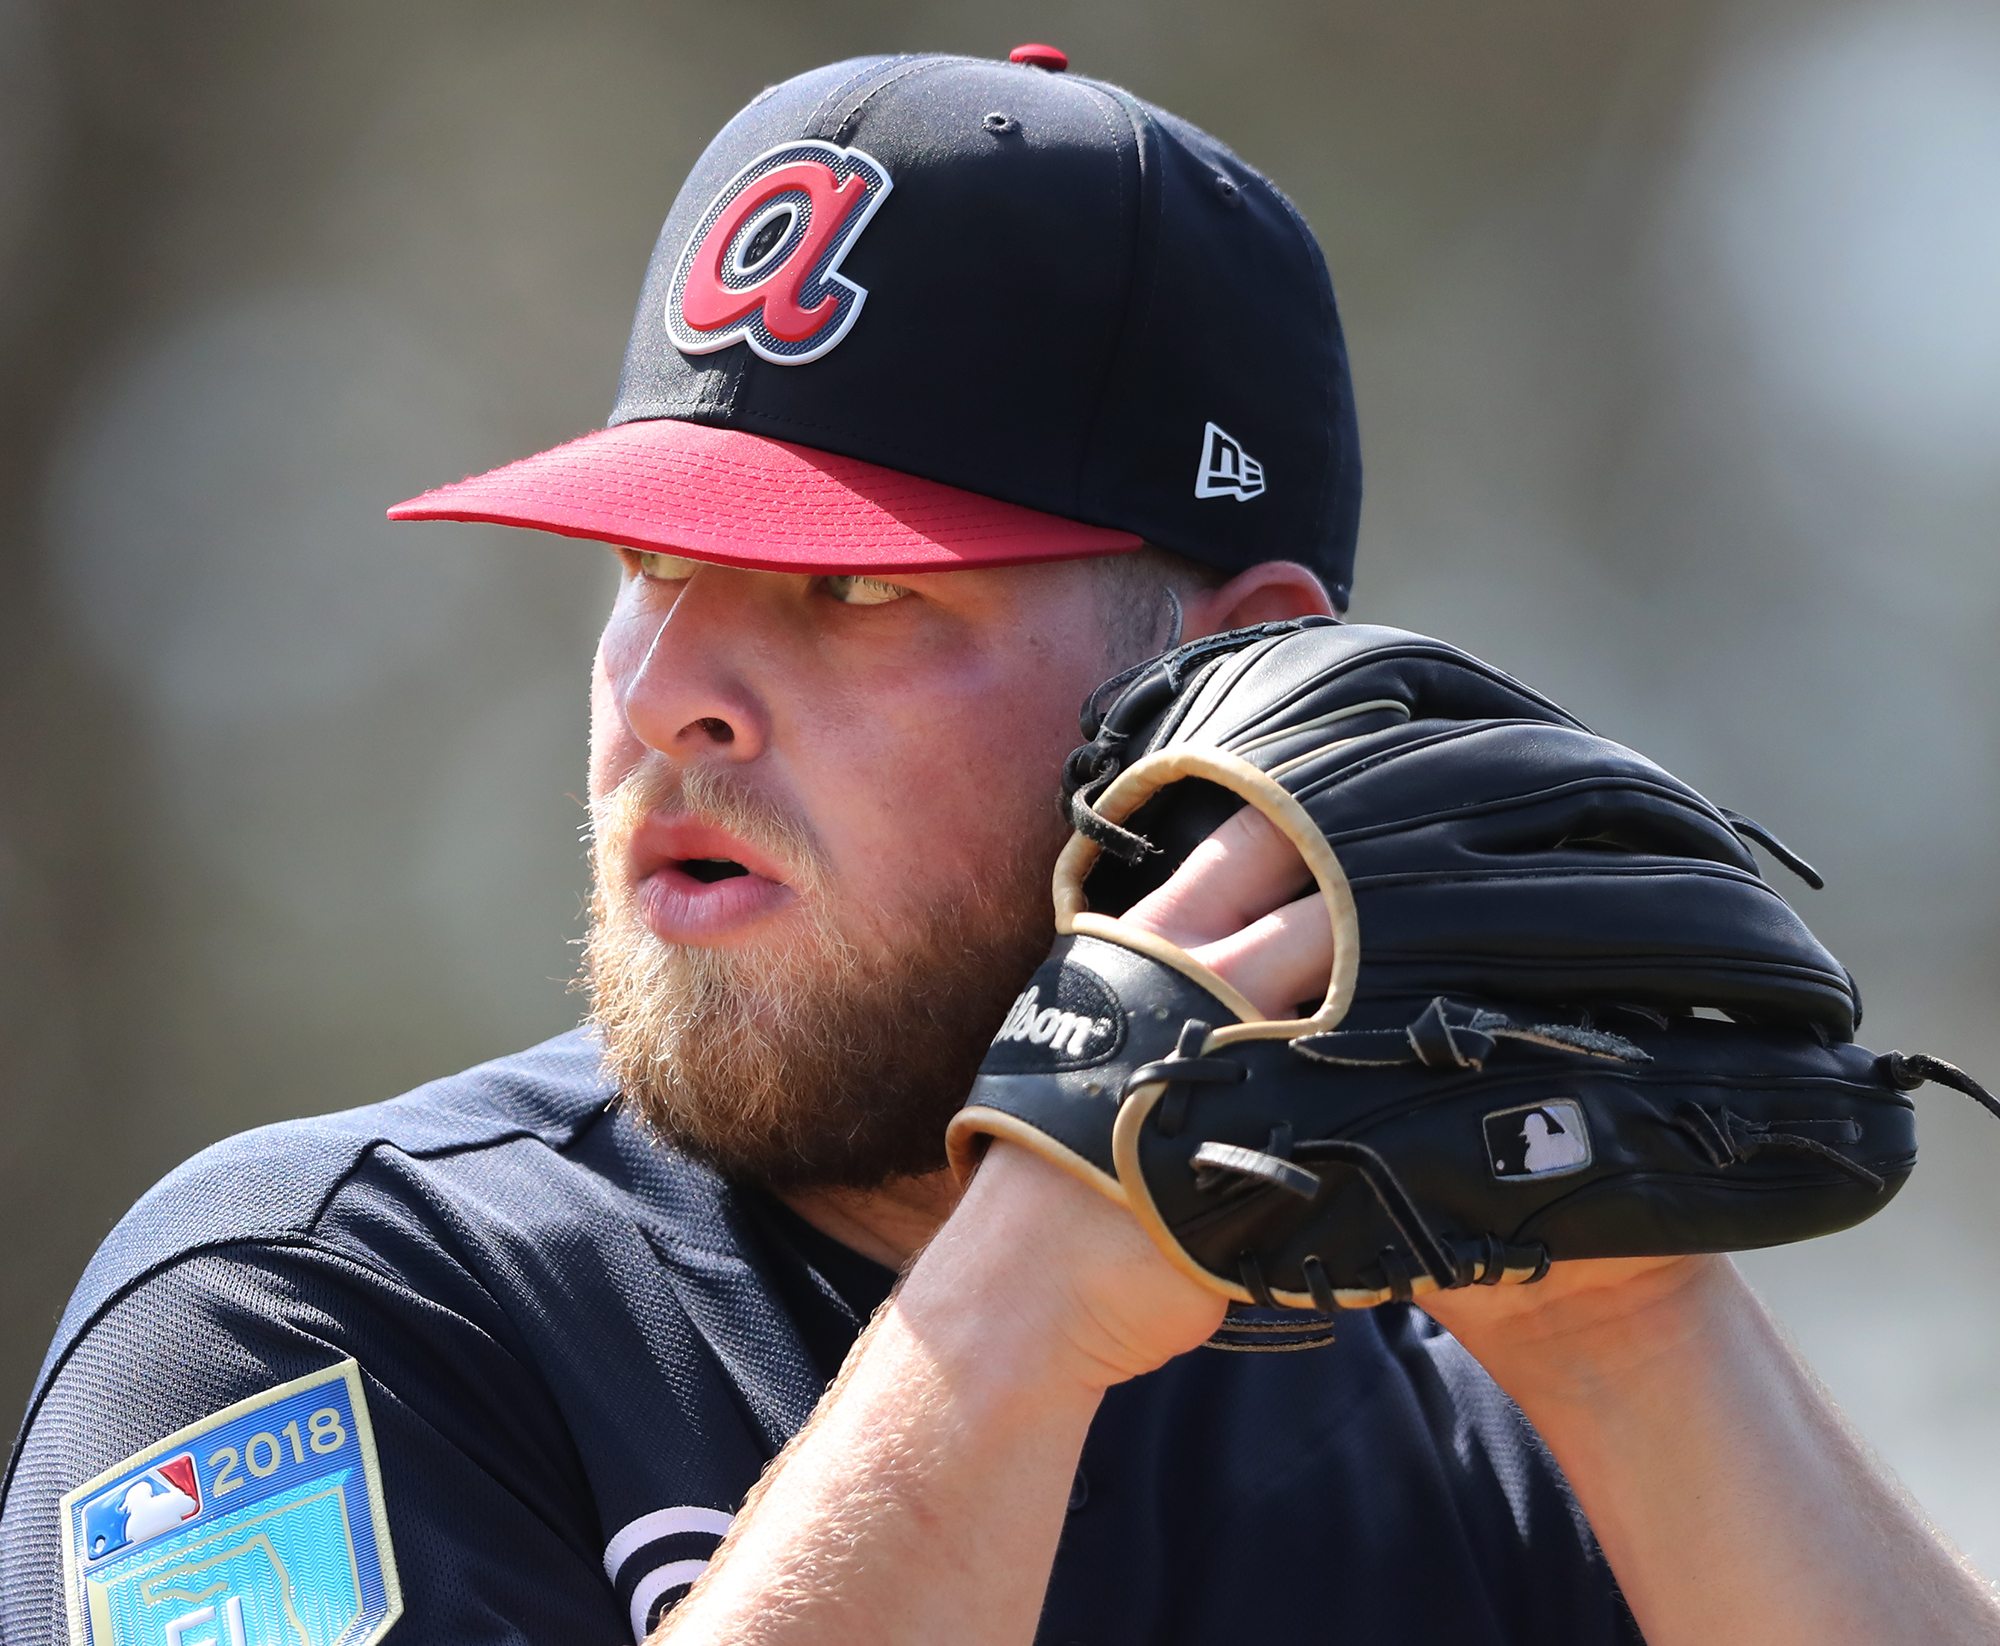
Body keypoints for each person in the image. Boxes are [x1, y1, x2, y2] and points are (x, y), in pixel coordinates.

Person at [4, 46, 1994, 1646]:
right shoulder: (312, 1315)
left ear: (1227, 673)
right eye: (650, 565)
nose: (666, 687)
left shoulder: (1465, 1427)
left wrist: (1634, 1337)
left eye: (855, 594)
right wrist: (1023, 1292)